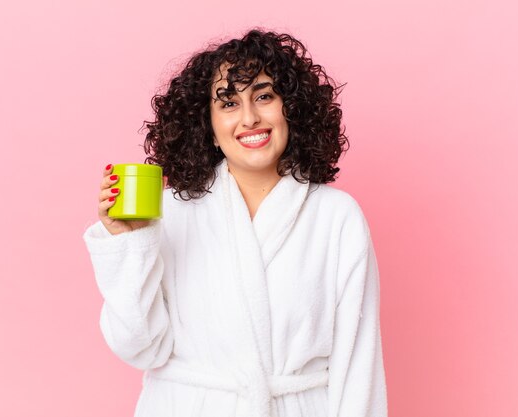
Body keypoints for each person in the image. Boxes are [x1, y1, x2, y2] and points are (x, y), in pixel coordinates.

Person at [83, 28, 387, 417]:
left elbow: (360, 362)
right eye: (228, 103)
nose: (249, 118)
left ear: (291, 109)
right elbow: (139, 347)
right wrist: (131, 244)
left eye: (264, 96)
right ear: (207, 126)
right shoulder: (169, 211)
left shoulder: (336, 217)